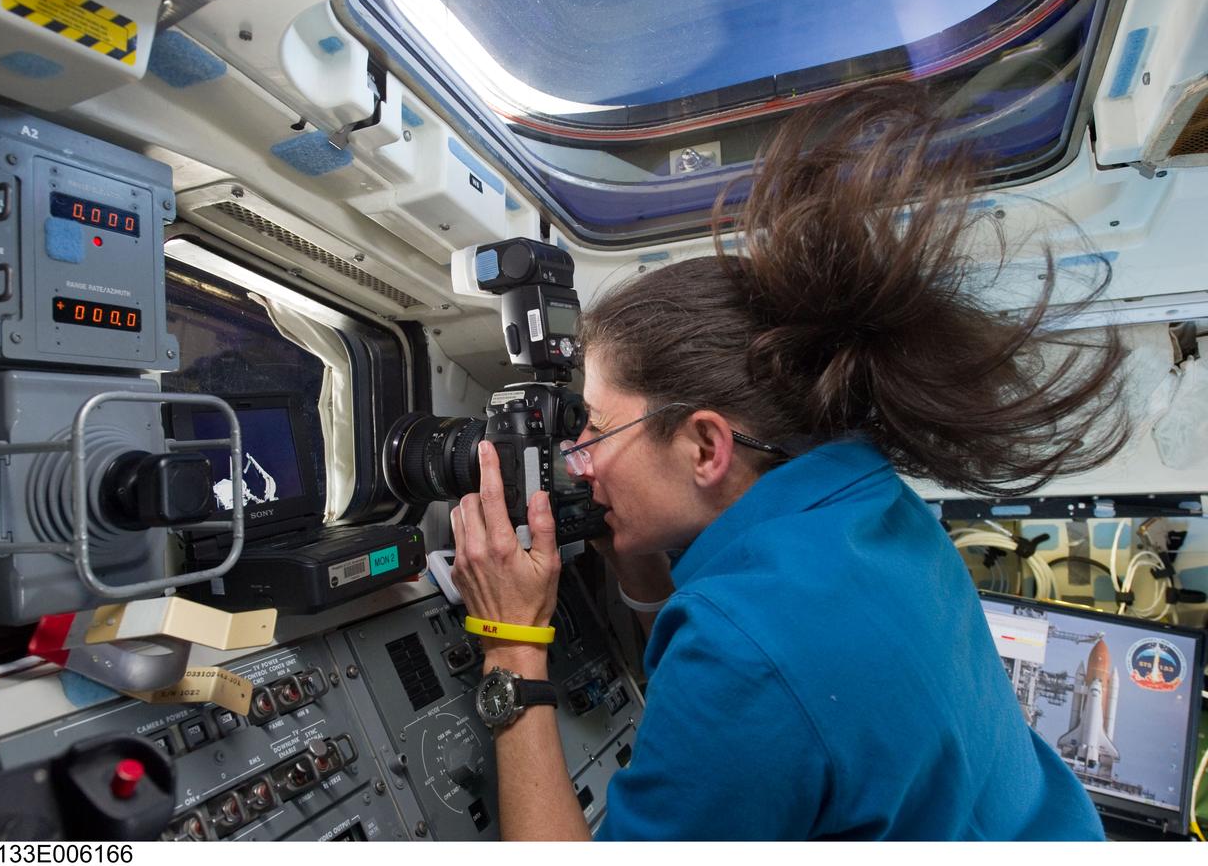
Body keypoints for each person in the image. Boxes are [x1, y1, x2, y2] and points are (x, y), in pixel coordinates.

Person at [447, 82, 1128, 840]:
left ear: (707, 446)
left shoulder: (742, 646)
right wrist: (634, 557)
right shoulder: (872, 504)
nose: (577, 461)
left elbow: (751, 665)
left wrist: (512, 643)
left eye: (595, 432)